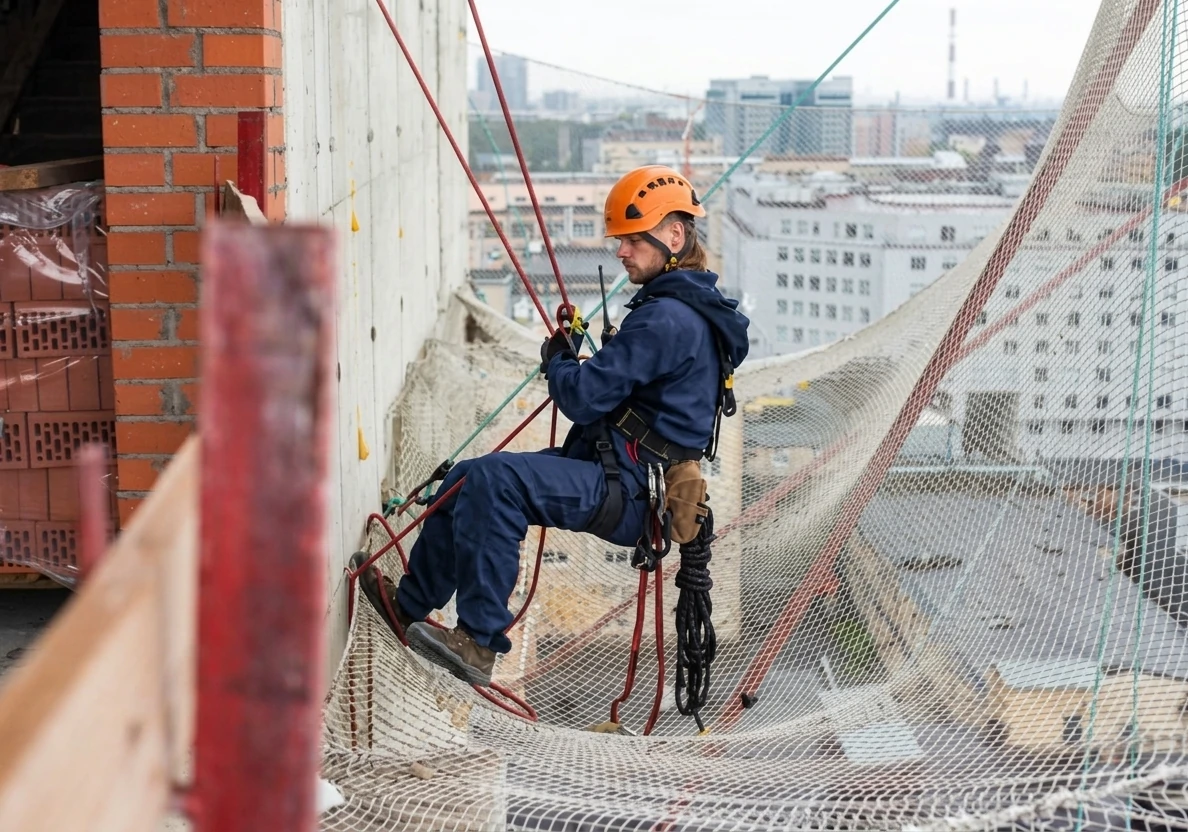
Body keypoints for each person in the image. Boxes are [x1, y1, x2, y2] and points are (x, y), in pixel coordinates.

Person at [352, 164, 750, 686]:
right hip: (619, 472)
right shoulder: (681, 312)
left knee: (496, 483)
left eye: (632, 240)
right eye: (621, 240)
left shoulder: (668, 318)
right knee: (469, 478)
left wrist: (560, 360)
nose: (621, 251)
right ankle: (407, 607)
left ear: (674, 234)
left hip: (628, 487)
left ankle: (477, 642)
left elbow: (584, 398)